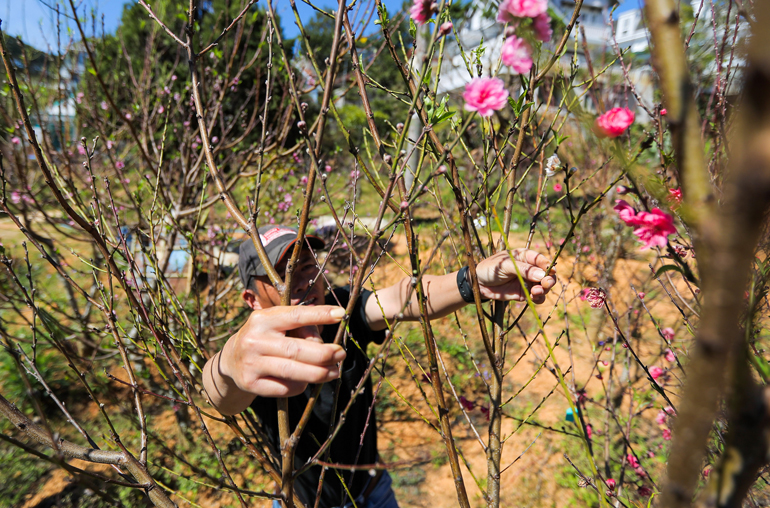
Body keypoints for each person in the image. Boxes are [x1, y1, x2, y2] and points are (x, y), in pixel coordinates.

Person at [202, 225, 556, 508]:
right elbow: (222, 393)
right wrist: (229, 363)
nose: (304, 280)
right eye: (284, 274)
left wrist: (473, 281)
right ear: (251, 299)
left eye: (308, 267)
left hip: (375, 492)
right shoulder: (254, 349)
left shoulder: (342, 307)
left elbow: (403, 297)